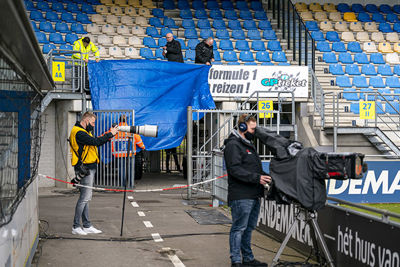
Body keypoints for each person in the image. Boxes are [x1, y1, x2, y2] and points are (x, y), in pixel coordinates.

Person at [223, 114, 271, 267]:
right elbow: (235, 170)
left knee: (248, 228)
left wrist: (267, 177)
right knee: (239, 228)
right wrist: (256, 178)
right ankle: (236, 261)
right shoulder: (233, 145)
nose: (254, 132)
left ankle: (248, 259)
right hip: (241, 195)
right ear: (242, 127)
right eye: (252, 128)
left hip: (253, 193)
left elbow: (253, 168)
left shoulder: (247, 144)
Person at [69, 112, 118, 235]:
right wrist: (110, 134)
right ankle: (76, 226)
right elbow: (95, 142)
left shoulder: (83, 131)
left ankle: (86, 225)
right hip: (85, 168)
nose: (94, 125)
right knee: (84, 198)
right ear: (85, 120)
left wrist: (109, 134)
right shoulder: (79, 132)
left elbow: (95, 140)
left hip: (87, 167)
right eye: (93, 122)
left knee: (85, 198)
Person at [111, 115, 146, 185]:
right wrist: (143, 147)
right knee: (131, 169)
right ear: (126, 120)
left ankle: (122, 185)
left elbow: (107, 136)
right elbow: (138, 140)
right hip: (130, 154)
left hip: (119, 154)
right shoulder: (130, 129)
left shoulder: (115, 130)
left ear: (119, 120)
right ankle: (131, 184)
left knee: (121, 169)